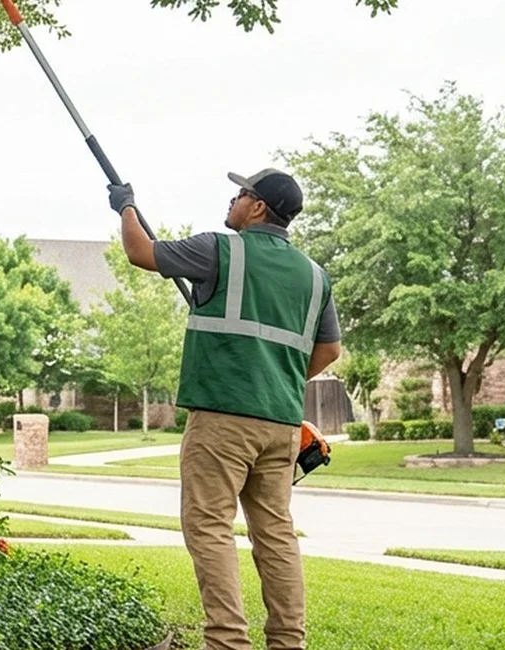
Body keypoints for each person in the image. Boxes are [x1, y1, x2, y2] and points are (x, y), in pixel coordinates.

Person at [108, 169, 342, 650]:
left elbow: (140, 252)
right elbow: (330, 350)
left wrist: (125, 206)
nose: (232, 200)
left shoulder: (220, 249)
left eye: (241, 194)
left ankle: (227, 642)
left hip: (221, 421)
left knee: (210, 526)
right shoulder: (315, 277)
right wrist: (278, 378)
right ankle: (288, 642)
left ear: (257, 208)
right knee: (275, 534)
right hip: (279, 425)